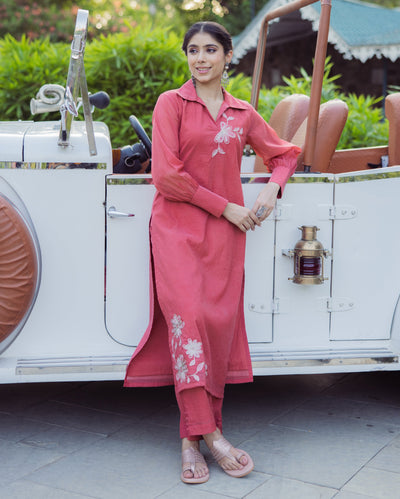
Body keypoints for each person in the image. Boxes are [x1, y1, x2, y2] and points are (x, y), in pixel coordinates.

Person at [124, 21, 301, 484]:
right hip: (177, 231)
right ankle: (212, 436)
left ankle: (191, 440)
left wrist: (271, 190)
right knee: (188, 323)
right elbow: (167, 176)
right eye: (193, 51)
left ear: (227, 56)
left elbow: (285, 155)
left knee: (216, 329)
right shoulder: (171, 103)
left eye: (209, 50)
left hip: (225, 237)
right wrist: (227, 207)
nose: (200, 59)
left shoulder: (243, 113)